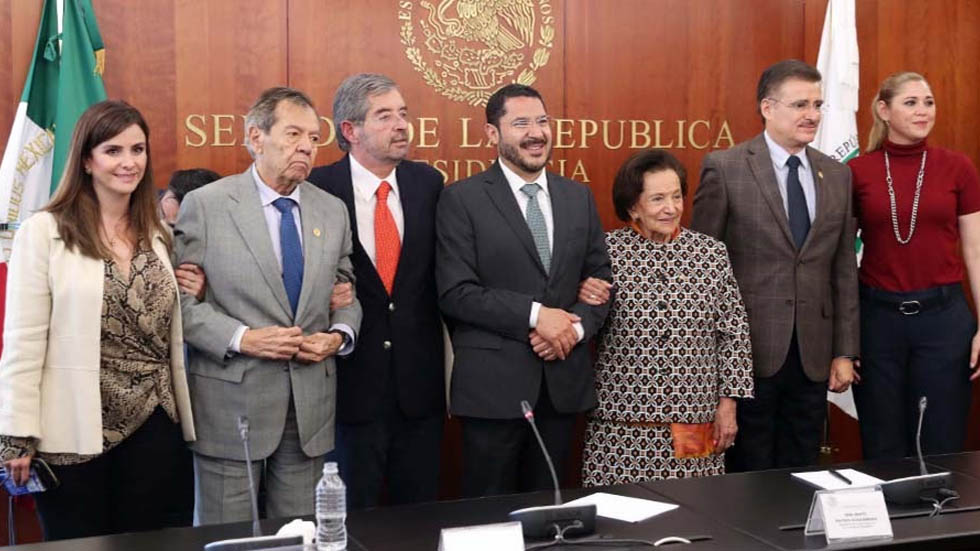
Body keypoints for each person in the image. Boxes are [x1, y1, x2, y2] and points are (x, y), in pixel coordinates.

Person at [0, 100, 197, 540]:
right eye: (113, 150)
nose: (129, 162)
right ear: (86, 160)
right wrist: (16, 435)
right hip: (74, 429)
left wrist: (193, 288)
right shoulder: (45, 232)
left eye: (138, 149)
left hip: (157, 424)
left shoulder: (159, 233)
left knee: (157, 544)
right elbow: (23, 341)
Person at [174, 86, 362, 524]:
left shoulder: (332, 211)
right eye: (293, 134)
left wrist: (338, 336)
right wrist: (244, 338)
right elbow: (180, 306)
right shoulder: (207, 205)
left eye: (314, 138)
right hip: (230, 405)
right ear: (256, 138)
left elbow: (347, 295)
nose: (306, 147)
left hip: (309, 409)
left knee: (300, 536)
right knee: (229, 538)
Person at [436, 84, 611, 498]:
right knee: (488, 517)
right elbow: (455, 293)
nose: (536, 133)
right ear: (492, 134)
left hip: (561, 387)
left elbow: (601, 282)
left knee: (552, 514)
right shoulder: (461, 200)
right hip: (492, 392)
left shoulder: (577, 197)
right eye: (520, 123)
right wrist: (538, 317)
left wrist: (572, 330)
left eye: (542, 121)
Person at [691, 59, 859, 472]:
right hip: (747, 353)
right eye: (800, 104)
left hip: (814, 355)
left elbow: (842, 269)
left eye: (818, 105)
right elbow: (702, 267)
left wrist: (844, 351)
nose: (813, 115)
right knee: (749, 472)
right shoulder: (726, 167)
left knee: (802, 468)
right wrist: (712, 356)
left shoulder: (837, 175)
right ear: (768, 107)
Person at [308, 74, 445, 509]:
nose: (401, 125)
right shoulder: (317, 189)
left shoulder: (429, 184)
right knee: (352, 518)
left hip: (418, 391)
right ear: (350, 131)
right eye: (385, 116)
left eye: (403, 113)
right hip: (348, 390)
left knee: (418, 521)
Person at [577, 150, 753, 485]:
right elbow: (585, 318)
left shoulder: (710, 253)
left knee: (693, 518)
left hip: (693, 420)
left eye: (676, 196)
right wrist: (581, 293)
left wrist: (728, 404)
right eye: (657, 198)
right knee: (620, 521)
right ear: (633, 206)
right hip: (620, 424)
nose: (670, 208)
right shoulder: (604, 252)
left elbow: (734, 333)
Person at [848, 72, 980, 459]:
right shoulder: (858, 172)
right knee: (882, 440)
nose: (923, 111)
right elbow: (838, 258)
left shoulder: (957, 167)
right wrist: (842, 338)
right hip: (877, 322)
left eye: (929, 102)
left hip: (944, 321)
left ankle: (938, 519)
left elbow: (975, 251)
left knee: (940, 440)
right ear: (884, 110)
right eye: (911, 102)